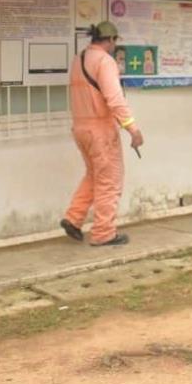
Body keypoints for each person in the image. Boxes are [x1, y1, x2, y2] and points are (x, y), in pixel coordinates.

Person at [60, 21, 143, 246]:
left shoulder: (79, 59)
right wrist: (132, 128)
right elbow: (115, 99)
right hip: (100, 130)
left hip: (80, 127)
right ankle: (104, 233)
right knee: (110, 181)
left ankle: (73, 218)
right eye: (116, 41)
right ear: (111, 40)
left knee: (94, 175)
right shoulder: (105, 62)